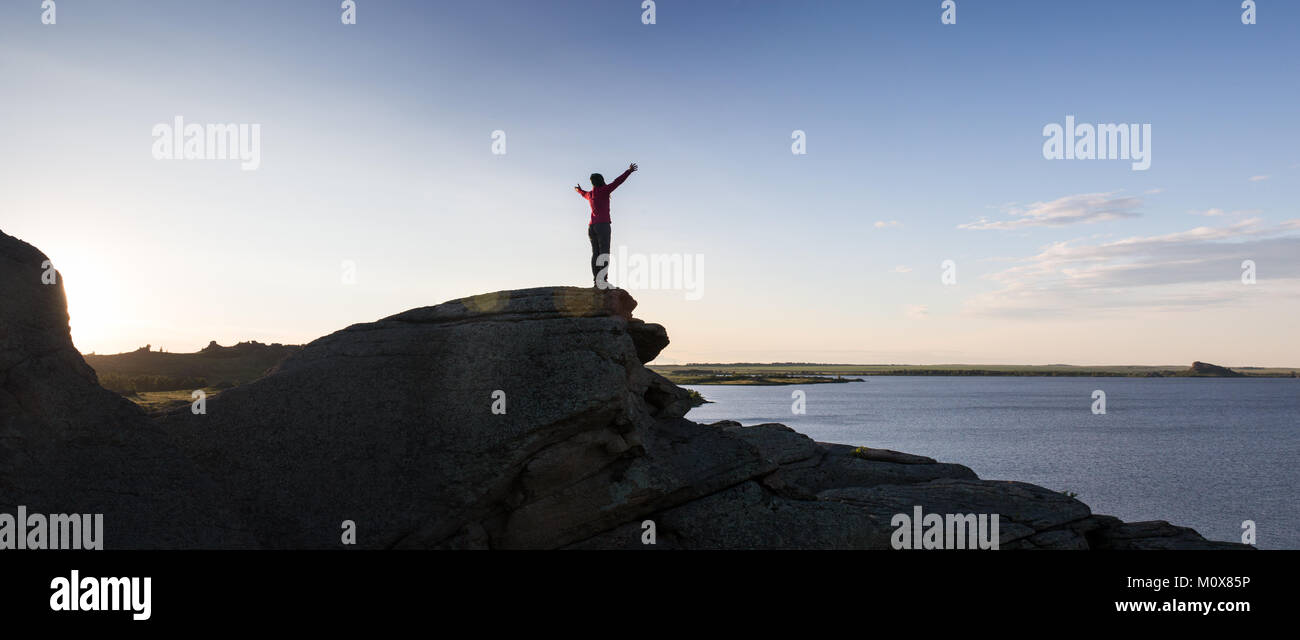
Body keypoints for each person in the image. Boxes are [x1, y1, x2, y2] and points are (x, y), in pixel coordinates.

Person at [575, 163, 637, 288]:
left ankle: (596, 282)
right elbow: (618, 182)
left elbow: (582, 193)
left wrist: (578, 190)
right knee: (604, 253)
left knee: (595, 253)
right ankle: (602, 281)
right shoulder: (604, 190)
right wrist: (629, 171)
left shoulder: (590, 195)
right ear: (601, 181)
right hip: (602, 226)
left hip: (591, 227)